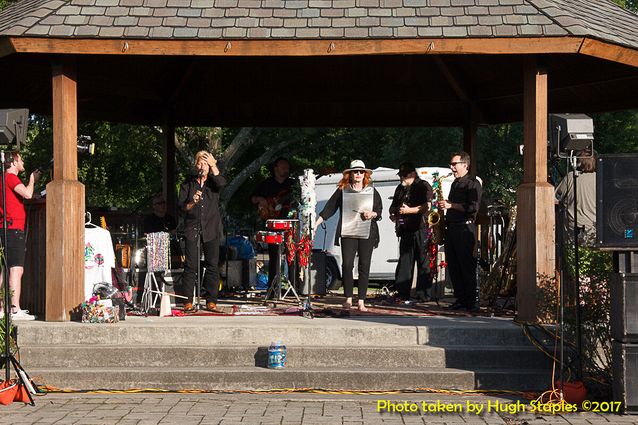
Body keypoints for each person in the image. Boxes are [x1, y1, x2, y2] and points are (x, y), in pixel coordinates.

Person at [314, 160, 382, 311]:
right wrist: (316, 224)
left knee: (364, 265)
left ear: (365, 174)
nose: (358, 174)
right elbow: (329, 208)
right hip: (348, 230)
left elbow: (379, 211)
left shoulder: (371, 191)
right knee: (347, 265)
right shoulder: (343, 190)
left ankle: (362, 301)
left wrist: (372, 214)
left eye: (361, 172)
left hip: (367, 232)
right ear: (350, 174)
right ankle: (348, 298)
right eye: (355, 171)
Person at [178, 151, 226, 313]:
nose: (203, 166)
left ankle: (211, 300)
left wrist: (214, 165)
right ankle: (187, 301)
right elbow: (183, 207)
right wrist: (193, 202)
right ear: (196, 165)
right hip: (192, 228)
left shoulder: (213, 182)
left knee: (212, 265)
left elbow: (221, 183)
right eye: (201, 163)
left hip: (211, 228)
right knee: (190, 266)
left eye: (206, 163)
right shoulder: (188, 184)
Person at [0, 151, 40, 320]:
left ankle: (3, 308)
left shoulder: (2, 178)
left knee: (4, 269)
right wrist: (32, 180)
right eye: (21, 159)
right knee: (16, 269)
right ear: (14, 162)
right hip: (13, 228)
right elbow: (27, 194)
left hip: (5, 227)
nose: (23, 161)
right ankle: (14, 310)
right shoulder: (10, 177)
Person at [440, 152, 482, 312]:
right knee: (455, 266)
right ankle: (461, 298)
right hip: (452, 228)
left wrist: (452, 206)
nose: (451, 167)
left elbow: (473, 208)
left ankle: (472, 301)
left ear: (465, 164)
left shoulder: (473, 183)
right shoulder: (455, 183)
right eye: (451, 164)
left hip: (465, 228)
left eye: (454, 164)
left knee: (466, 266)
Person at [389, 162, 433, 302]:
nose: (402, 178)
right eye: (401, 175)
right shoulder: (400, 189)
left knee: (423, 262)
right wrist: (395, 215)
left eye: (405, 176)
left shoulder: (423, 186)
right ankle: (402, 293)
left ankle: (424, 295)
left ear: (413, 174)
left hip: (422, 228)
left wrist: (410, 210)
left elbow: (427, 206)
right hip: (405, 228)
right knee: (404, 263)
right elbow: (394, 207)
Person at [251, 157, 296, 289]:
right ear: (276, 168)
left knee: (291, 253)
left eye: (287, 167)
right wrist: (261, 200)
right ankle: (273, 286)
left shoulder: (292, 184)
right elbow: (252, 198)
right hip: (272, 222)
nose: (286, 170)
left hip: (289, 222)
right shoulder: (266, 184)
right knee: (274, 254)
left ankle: (294, 286)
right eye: (283, 167)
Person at [555, 151, 597, 245]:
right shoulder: (601, 179)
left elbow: (555, 199)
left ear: (577, 162)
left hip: (572, 233)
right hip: (595, 233)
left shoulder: (571, 177)